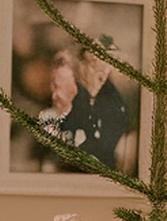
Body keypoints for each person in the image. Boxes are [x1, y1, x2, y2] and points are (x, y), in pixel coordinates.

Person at [50, 39, 131, 170]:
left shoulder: (112, 104)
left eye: (102, 67)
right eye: (92, 65)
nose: (99, 73)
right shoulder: (80, 101)